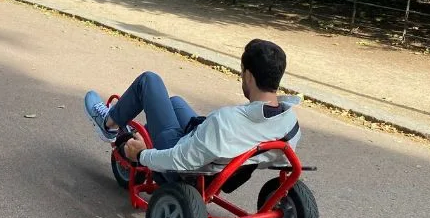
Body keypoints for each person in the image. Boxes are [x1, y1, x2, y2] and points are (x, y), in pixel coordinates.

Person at [83, 39, 301, 175]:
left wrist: (143, 155)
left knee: (149, 81)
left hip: (186, 165)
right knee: (175, 103)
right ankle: (137, 134)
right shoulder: (289, 123)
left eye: (242, 73)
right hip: (222, 160)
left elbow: (180, 160)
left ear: (249, 77)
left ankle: (109, 125)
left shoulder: (227, 121)